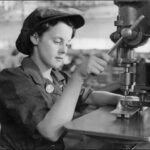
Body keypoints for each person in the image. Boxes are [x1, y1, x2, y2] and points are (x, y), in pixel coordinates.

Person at [0, 6, 125, 150]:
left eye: (67, 44)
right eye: (57, 41)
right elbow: (50, 131)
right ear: (35, 38)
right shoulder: (12, 79)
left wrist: (121, 100)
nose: (64, 50)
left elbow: (90, 96)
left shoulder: (58, 77)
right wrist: (78, 76)